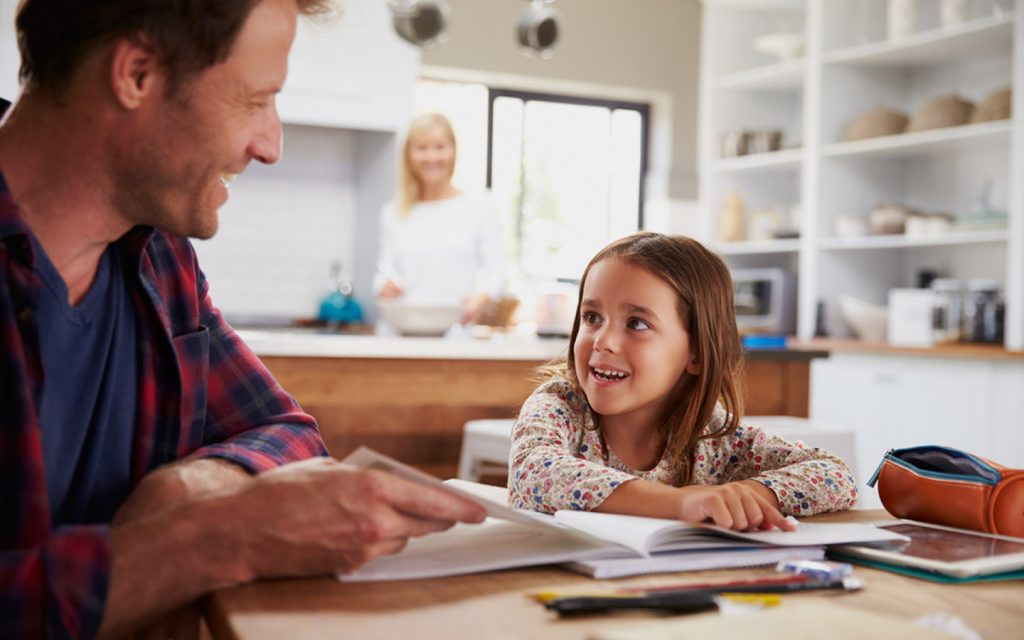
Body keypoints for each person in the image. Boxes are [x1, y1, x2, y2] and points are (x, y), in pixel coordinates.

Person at [0, 1, 485, 639]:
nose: (271, 144)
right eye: (256, 99)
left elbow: (287, 431)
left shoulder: (159, 257)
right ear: (137, 74)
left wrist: (189, 490)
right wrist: (213, 538)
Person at [508, 232, 857, 530]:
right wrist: (680, 504)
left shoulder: (711, 433)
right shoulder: (559, 407)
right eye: (592, 317)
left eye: (636, 324)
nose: (602, 341)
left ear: (697, 354)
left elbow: (833, 475)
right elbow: (534, 474)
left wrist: (744, 498)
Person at [374, 113, 504, 325]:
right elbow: (383, 272)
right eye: (422, 148)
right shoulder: (392, 213)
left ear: (453, 151)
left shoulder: (480, 207)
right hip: (401, 334)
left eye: (440, 147)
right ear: (408, 154)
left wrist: (480, 299)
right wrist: (383, 287)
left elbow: (495, 272)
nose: (431, 157)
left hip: (456, 333)